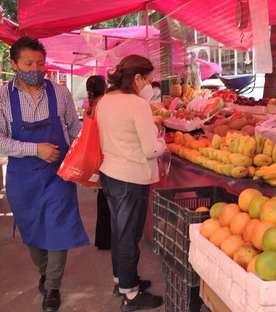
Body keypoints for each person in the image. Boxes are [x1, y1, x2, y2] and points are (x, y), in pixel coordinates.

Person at [0, 37, 88, 312]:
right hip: (22, 177)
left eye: (40, 63)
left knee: (58, 228)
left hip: (57, 176)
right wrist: (34, 148)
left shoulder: (60, 93)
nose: (36, 69)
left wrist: (84, 160)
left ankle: (52, 286)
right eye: (28, 63)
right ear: (14, 64)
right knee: (32, 231)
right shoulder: (2, 96)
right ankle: (44, 270)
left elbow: (75, 130)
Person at [97, 55, 165, 311]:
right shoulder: (136, 104)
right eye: (148, 79)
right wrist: (163, 142)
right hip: (130, 176)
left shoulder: (106, 100)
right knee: (128, 236)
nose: (150, 85)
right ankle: (132, 295)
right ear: (137, 78)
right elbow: (150, 150)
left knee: (119, 231)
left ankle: (122, 280)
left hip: (112, 174)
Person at [85, 75, 111, 250]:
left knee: (103, 199)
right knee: (108, 200)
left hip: (96, 154)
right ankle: (106, 238)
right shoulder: (105, 104)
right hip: (105, 154)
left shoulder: (91, 106)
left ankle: (102, 239)